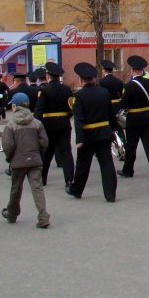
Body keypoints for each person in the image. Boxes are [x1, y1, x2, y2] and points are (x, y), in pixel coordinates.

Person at [66, 62, 118, 202]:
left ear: (81, 79)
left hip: (88, 135)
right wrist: (113, 130)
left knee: (83, 164)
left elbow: (79, 120)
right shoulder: (104, 92)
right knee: (107, 164)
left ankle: (76, 190)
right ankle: (110, 194)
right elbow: (110, 114)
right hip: (104, 132)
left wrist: (79, 140)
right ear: (94, 78)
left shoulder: (79, 96)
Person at [1, 92, 51, 229]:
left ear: (15, 106)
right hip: (35, 160)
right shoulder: (37, 123)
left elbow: (8, 145)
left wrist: (10, 158)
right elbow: (44, 142)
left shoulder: (10, 125)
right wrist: (38, 154)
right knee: (37, 188)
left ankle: (12, 213)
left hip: (18, 161)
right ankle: (43, 216)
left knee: (16, 188)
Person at [119, 55, 149, 179]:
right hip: (147, 117)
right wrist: (147, 109)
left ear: (132, 70)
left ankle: (128, 170)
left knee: (131, 145)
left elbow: (124, 104)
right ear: (143, 70)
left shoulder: (129, 86)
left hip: (134, 119)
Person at [33, 62, 75, 187]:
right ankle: (69, 179)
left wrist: (37, 126)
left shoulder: (44, 90)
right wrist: (65, 117)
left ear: (48, 76)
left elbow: (39, 110)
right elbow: (71, 107)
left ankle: (43, 178)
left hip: (48, 125)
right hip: (63, 124)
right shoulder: (67, 89)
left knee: (47, 152)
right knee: (66, 151)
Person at [99, 59, 126, 160]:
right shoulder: (119, 82)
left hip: (107, 107)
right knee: (119, 129)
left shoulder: (102, 82)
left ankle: (107, 150)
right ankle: (123, 148)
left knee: (108, 129)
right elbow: (121, 95)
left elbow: (102, 96)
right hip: (117, 107)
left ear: (104, 70)